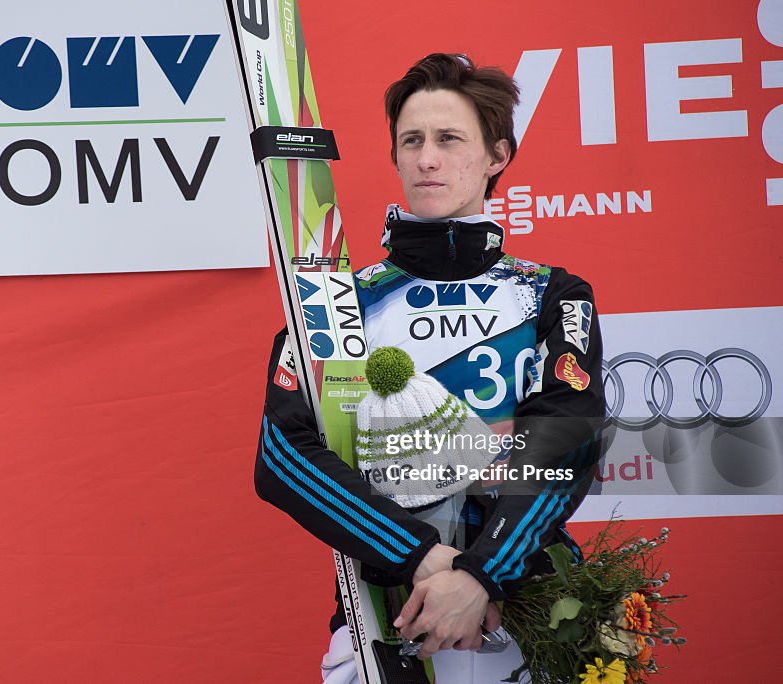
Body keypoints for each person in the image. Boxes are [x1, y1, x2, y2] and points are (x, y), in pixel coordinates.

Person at [255, 53, 605, 682]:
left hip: (524, 619)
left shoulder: (551, 294)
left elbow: (566, 445)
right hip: (385, 620)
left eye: (449, 139)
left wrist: (479, 575)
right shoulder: (338, 301)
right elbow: (283, 457)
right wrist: (419, 557)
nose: (426, 158)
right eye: (411, 141)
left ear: (496, 156)